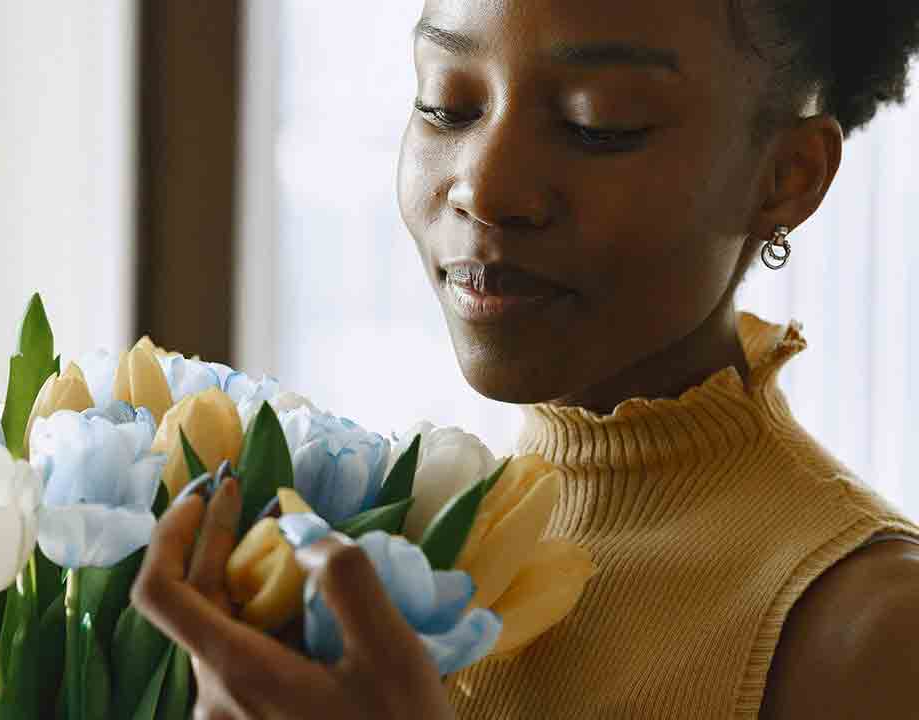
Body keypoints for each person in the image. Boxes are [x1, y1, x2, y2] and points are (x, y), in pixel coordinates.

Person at [130, 0, 919, 717]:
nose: (487, 185)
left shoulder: (869, 631)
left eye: (596, 123)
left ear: (788, 176)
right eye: (448, 104)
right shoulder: (381, 541)